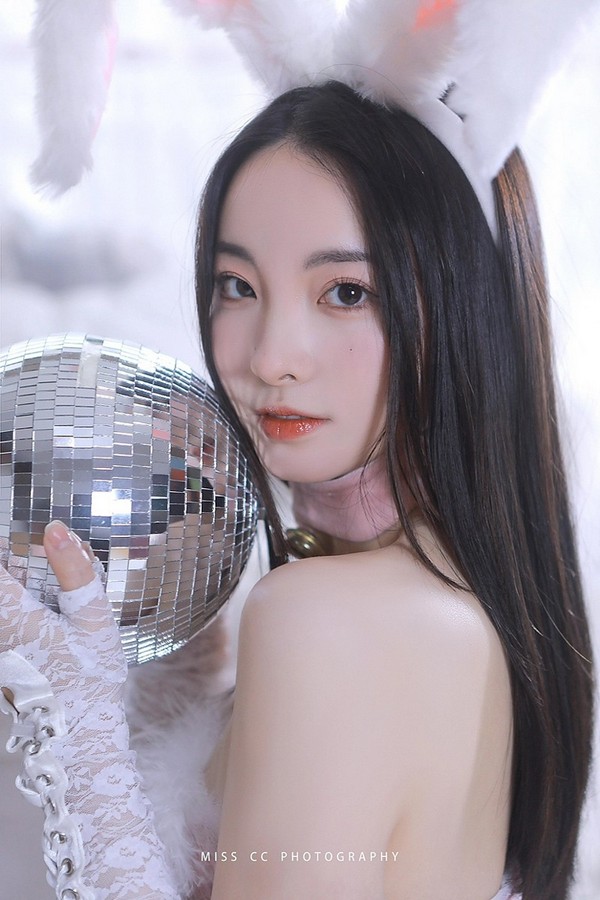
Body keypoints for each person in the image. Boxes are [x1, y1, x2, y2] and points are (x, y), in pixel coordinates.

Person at [0, 80, 594, 900]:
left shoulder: (325, 619)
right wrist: (180, 667)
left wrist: (81, 727)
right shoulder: (454, 596)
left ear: (460, 308)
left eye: (346, 293)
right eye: (238, 285)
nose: (270, 356)